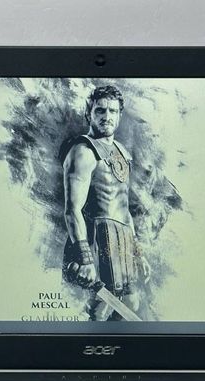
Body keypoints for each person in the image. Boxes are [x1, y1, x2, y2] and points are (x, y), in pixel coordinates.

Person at [61, 85, 150, 320]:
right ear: (89, 113)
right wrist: (85, 259)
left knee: (130, 303)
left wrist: (138, 253)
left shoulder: (122, 152)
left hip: (123, 242)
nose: (107, 116)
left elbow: (124, 210)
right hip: (97, 242)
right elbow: (72, 210)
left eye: (113, 111)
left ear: (119, 115)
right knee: (100, 310)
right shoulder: (83, 152)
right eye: (100, 110)